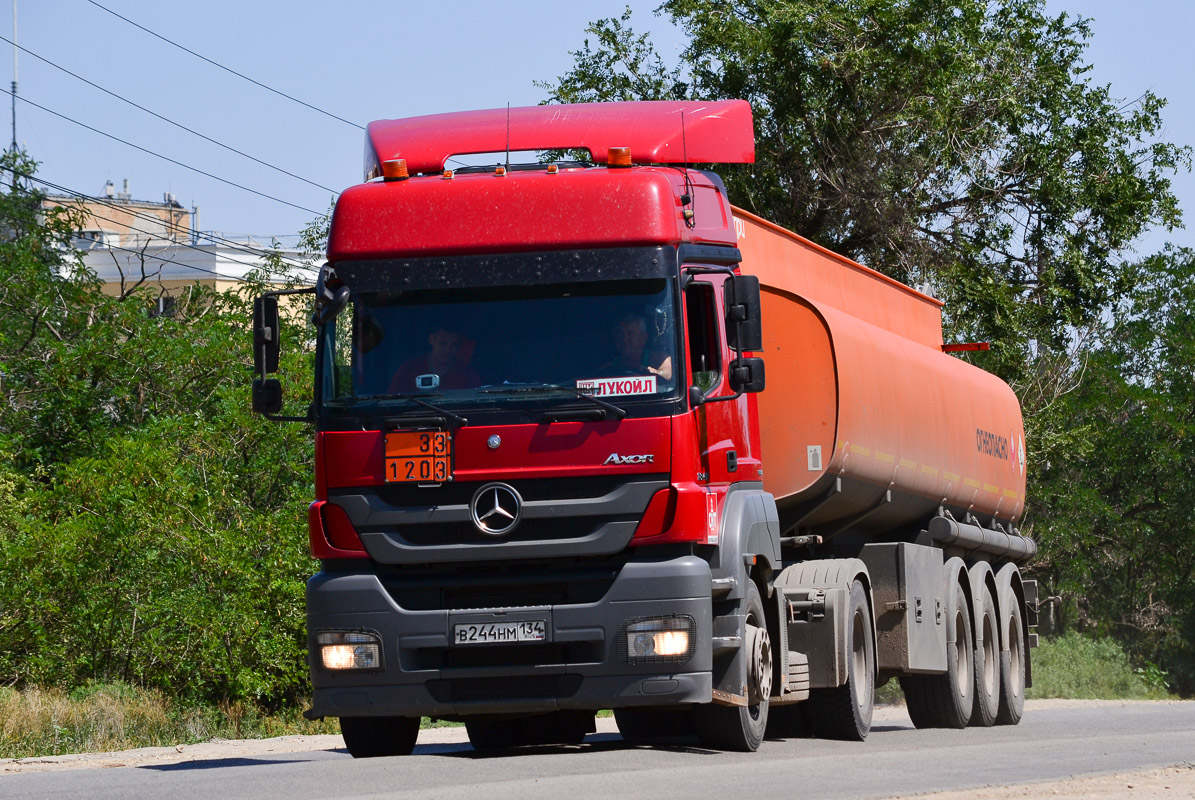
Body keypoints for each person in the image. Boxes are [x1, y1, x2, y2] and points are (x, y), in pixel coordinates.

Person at [389, 325, 481, 392]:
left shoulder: (467, 374)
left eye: (453, 344)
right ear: (431, 339)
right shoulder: (409, 369)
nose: (448, 349)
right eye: (443, 343)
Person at [601, 313, 673, 380]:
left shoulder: (658, 358)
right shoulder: (609, 368)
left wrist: (656, 374)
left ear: (643, 338)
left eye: (630, 334)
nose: (624, 339)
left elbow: (669, 374)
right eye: (620, 334)